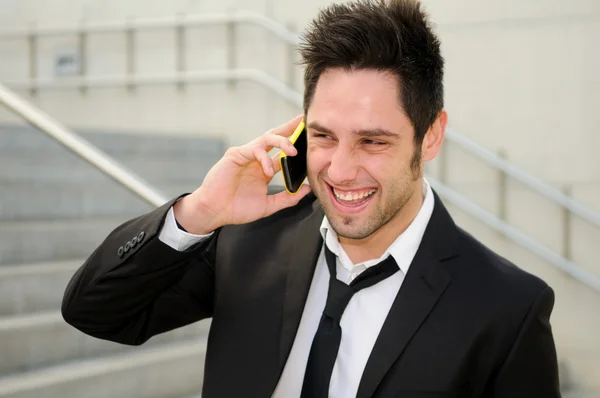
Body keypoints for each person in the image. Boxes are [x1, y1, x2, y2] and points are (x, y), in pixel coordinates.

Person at [61, 0, 561, 397]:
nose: (340, 171)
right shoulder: (249, 241)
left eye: (372, 141)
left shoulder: (507, 308)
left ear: (430, 136)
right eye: (323, 136)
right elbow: (95, 311)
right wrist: (198, 214)